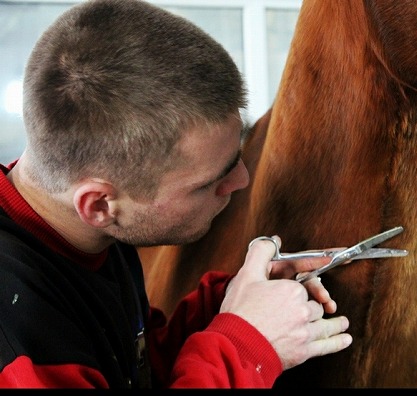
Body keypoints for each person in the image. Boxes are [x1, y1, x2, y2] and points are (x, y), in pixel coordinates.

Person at [0, 0, 352, 389]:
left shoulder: (95, 234)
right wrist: (245, 348)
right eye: (208, 182)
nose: (241, 180)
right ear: (100, 205)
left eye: (235, 157)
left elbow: (133, 370)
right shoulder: (16, 344)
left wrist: (231, 305)